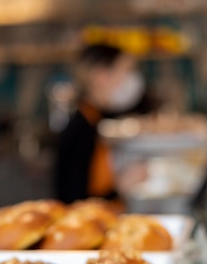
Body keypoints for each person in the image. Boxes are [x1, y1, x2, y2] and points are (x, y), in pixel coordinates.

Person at [54, 44, 151, 204]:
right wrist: (119, 188)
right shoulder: (79, 131)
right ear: (101, 76)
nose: (133, 80)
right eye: (127, 71)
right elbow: (73, 201)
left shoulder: (103, 120)